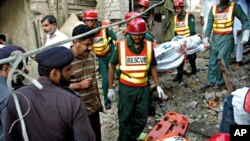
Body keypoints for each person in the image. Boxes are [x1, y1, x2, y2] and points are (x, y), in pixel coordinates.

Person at [4, 47, 95, 141]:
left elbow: (10, 137)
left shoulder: (16, 98)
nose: (73, 73)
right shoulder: (71, 101)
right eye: (68, 69)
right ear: (54, 73)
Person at [108, 18, 167, 141]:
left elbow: (152, 66)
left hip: (143, 88)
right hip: (126, 89)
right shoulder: (121, 46)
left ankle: (131, 137)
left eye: (140, 34)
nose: (138, 37)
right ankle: (124, 139)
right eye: (134, 34)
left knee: (141, 118)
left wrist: (158, 85)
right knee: (125, 117)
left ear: (144, 34)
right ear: (129, 33)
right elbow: (112, 66)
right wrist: (110, 88)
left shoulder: (149, 46)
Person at [204, 0, 250, 91]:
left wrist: (246, 32)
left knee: (222, 59)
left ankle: (220, 82)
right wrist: (206, 36)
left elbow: (244, 19)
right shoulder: (213, 8)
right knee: (213, 60)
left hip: (227, 38)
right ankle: (211, 81)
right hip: (215, 38)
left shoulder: (234, 6)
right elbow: (209, 24)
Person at [69, 24, 103, 141]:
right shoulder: (65, 61)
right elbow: (57, 89)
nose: (90, 48)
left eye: (91, 44)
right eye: (87, 44)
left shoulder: (91, 56)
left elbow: (93, 81)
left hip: (93, 109)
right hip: (76, 114)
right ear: (75, 42)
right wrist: (79, 85)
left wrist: (98, 101)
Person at [82, 9, 117, 110]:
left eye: (88, 20)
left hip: (111, 54)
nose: (86, 23)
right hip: (100, 58)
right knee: (105, 79)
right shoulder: (86, 30)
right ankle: (107, 101)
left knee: (119, 73)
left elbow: (115, 37)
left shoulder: (104, 26)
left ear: (94, 20)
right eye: (85, 21)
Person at [0, 46, 26, 141]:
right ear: (6, 69)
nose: (25, 72)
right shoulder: (8, 97)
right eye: (20, 69)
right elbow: (8, 135)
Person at [172, 0, 197, 84]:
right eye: (175, 9)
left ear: (182, 8)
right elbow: (175, 32)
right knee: (179, 59)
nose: (176, 10)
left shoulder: (189, 16)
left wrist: (188, 41)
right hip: (180, 43)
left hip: (188, 40)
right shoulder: (175, 18)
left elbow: (192, 31)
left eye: (178, 8)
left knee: (192, 57)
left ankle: (194, 71)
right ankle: (179, 77)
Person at [233, 0, 249, 68]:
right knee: (235, 43)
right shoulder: (236, 2)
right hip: (234, 25)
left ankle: (238, 61)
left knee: (239, 44)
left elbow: (244, 16)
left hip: (239, 26)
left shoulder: (242, 2)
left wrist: (240, 27)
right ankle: (235, 58)